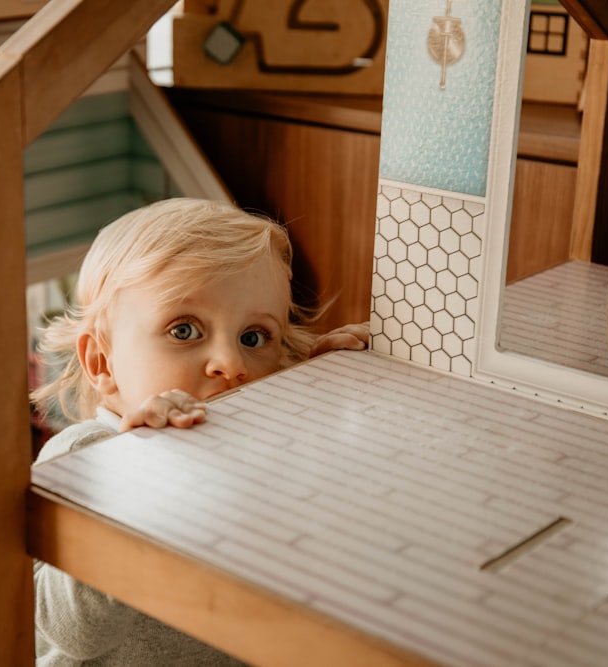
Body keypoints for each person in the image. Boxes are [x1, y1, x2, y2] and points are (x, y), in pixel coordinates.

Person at [31, 198, 367, 665]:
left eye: (254, 337)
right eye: (184, 331)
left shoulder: (257, 443)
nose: (231, 364)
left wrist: (315, 399)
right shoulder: (87, 453)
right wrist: (142, 466)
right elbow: (75, 632)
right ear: (101, 362)